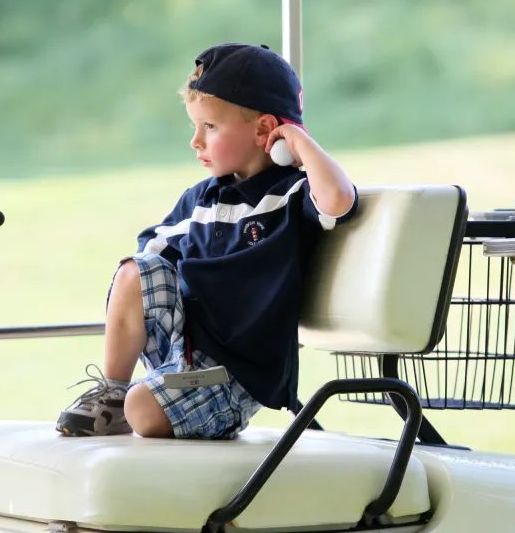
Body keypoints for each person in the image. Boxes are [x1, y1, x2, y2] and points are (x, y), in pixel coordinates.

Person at [56, 42, 358, 440]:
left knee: (142, 408)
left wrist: (300, 142)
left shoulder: (291, 196)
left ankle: (139, 399)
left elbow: (338, 200)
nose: (196, 141)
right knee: (134, 269)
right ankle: (112, 394)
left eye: (210, 128)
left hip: (231, 379)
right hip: (185, 351)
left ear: (266, 130)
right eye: (195, 127)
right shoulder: (200, 200)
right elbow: (148, 264)